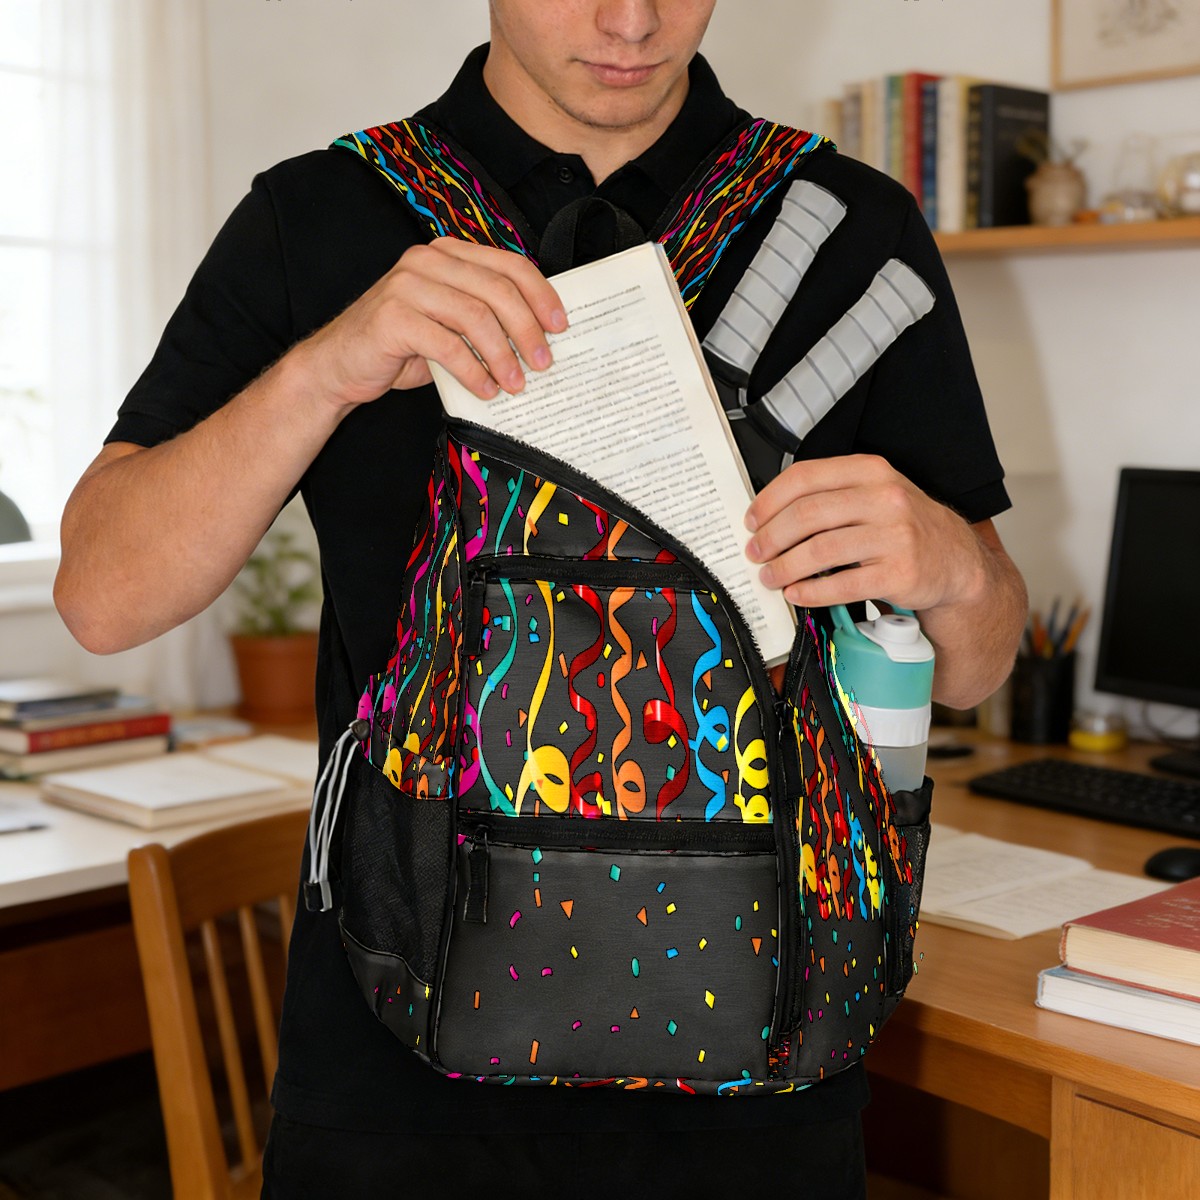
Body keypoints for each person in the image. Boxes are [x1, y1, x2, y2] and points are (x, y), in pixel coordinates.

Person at [56, 2, 1026, 1195]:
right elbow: (103, 598)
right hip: (397, 1091)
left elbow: (979, 662)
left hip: (766, 1085)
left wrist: (956, 565)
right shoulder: (319, 217)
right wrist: (325, 370)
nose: (631, 19)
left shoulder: (849, 229)